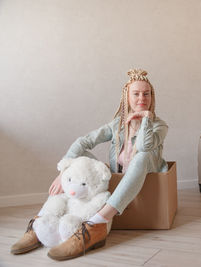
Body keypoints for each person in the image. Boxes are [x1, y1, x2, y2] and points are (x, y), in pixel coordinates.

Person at [10, 68, 169, 260]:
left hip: (144, 176)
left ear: (152, 96)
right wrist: (64, 171)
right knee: (80, 160)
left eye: (147, 93)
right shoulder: (117, 124)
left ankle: (97, 223)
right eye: (136, 94)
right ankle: (40, 224)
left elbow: (144, 147)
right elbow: (83, 142)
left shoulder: (159, 126)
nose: (142, 98)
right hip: (118, 178)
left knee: (141, 157)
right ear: (126, 97)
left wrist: (146, 119)